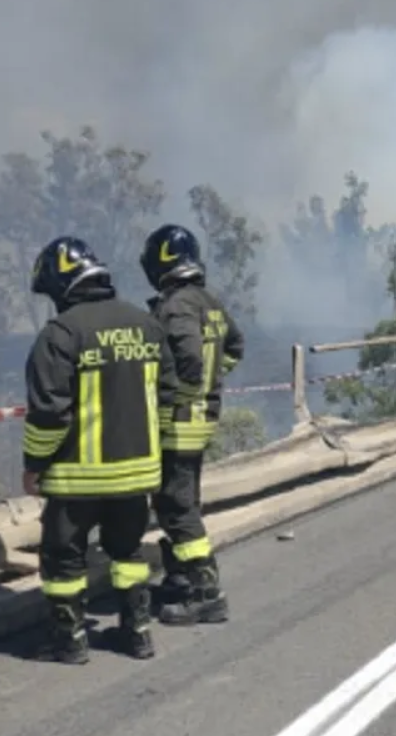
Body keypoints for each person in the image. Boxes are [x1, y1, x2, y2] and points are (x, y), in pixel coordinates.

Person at [23, 236, 178, 664]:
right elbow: (169, 398)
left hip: (77, 480)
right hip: (137, 476)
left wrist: (34, 466)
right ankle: (138, 632)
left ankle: (69, 640)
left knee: (62, 560)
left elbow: (50, 414)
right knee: (128, 554)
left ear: (62, 285)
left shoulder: (61, 334)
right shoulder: (146, 325)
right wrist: (157, 458)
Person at [140, 224, 245, 626]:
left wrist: (173, 395)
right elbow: (234, 346)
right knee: (182, 502)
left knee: (176, 506)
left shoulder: (177, 305)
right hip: (200, 421)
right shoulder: (209, 302)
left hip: (178, 423)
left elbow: (188, 360)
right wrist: (211, 383)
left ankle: (205, 591)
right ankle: (181, 576)